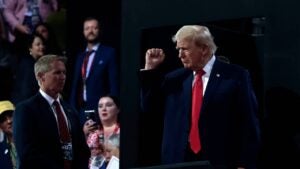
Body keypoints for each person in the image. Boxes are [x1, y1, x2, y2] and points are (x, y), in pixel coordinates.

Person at [140, 25, 260, 169]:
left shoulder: (235, 76)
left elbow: (249, 123)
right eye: (178, 50)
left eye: (184, 49)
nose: (180, 55)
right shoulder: (174, 79)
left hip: (219, 161)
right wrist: (150, 70)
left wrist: (244, 164)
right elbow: (149, 108)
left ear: (203, 49)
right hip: (178, 161)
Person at [13, 55, 89, 169]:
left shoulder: (71, 110)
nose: (63, 77)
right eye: (57, 73)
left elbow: (82, 149)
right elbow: (27, 154)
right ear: (41, 76)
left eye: (64, 72)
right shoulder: (25, 110)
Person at [69, 17, 119, 125]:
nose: (90, 31)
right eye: (87, 28)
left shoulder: (109, 53)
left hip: (101, 109)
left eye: (94, 28)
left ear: (100, 30)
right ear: (83, 32)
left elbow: (114, 83)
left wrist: (113, 107)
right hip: (81, 110)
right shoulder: (80, 56)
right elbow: (75, 84)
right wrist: (72, 108)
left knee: (102, 141)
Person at [83, 95, 120, 169]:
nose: (104, 109)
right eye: (100, 106)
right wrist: (83, 134)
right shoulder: (92, 131)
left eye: (108, 105)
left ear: (118, 109)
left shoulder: (125, 131)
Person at [11, 33, 45, 104]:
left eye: (43, 44)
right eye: (38, 45)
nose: (42, 47)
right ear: (30, 48)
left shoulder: (35, 63)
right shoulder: (27, 65)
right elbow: (25, 91)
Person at [0, 100, 17, 169]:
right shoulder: (1, 151)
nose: (9, 121)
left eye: (11, 115)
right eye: (3, 119)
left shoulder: (35, 139)